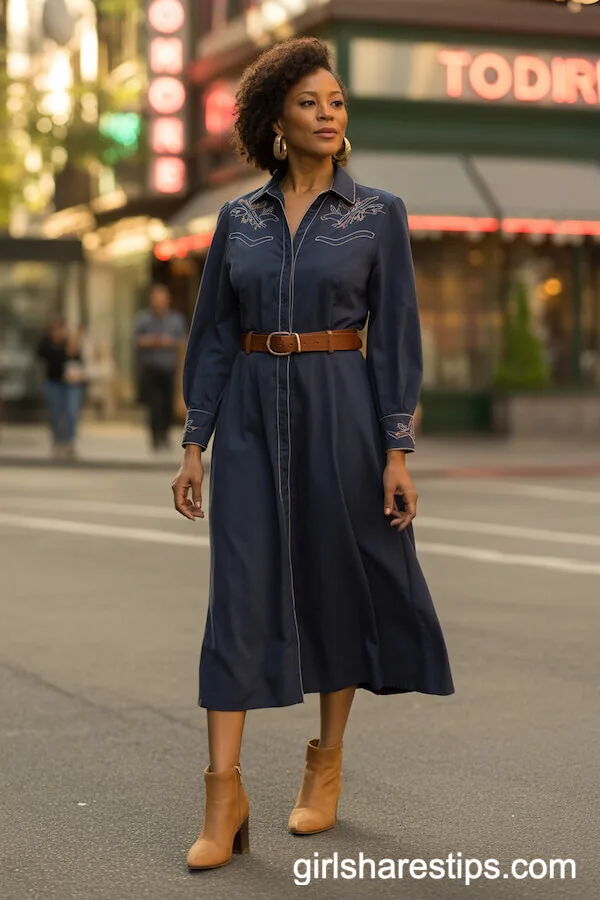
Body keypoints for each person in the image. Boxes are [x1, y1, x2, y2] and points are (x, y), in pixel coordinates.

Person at [172, 37, 454, 871]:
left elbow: (395, 334)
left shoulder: (378, 214)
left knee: (338, 580)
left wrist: (397, 449)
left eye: (336, 102)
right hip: (250, 414)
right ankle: (223, 799)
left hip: (342, 408)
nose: (328, 114)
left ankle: (324, 767)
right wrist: (195, 441)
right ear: (277, 122)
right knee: (239, 594)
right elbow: (214, 334)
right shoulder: (238, 219)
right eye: (309, 103)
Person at [134, 284, 187, 450]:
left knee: (167, 403)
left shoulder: (176, 320)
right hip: (150, 368)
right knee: (154, 404)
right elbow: (137, 340)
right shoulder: (143, 319)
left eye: (162, 299)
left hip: (169, 367)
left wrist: (168, 342)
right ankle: (155, 436)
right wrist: (152, 341)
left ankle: (165, 434)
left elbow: (182, 342)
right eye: (156, 299)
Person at [36, 317, 86, 459]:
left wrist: (72, 345)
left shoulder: (69, 343)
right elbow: (42, 357)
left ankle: (69, 442)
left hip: (70, 384)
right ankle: (57, 442)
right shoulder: (46, 343)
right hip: (53, 382)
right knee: (55, 413)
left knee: (71, 413)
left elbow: (77, 361)